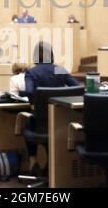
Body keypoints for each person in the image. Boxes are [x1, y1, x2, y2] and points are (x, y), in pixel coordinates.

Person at [23, 42, 79, 174]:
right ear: (51, 55)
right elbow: (77, 87)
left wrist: (34, 104)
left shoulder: (31, 72)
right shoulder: (59, 69)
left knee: (27, 123)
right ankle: (50, 164)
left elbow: (30, 92)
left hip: (40, 123)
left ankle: (33, 161)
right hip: (61, 121)